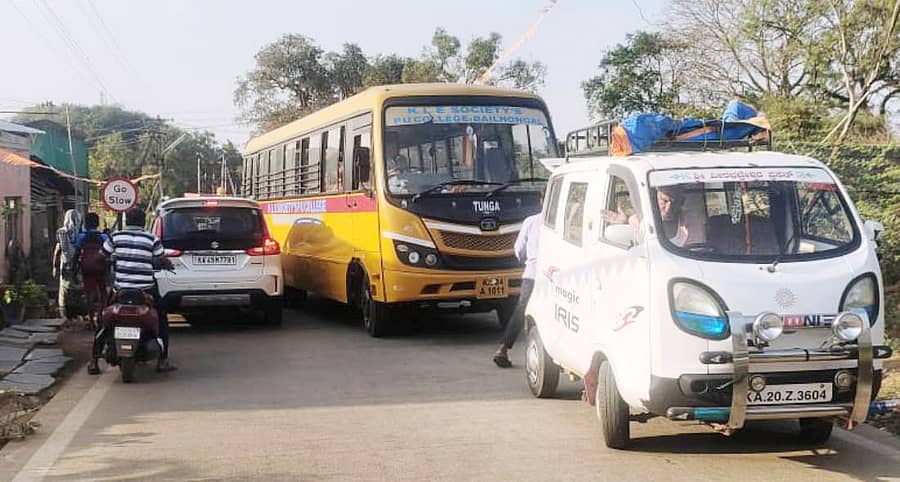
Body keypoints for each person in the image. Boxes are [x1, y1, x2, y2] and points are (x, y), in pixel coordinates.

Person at [88, 207, 176, 374]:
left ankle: (93, 361)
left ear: (127, 221)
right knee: (162, 319)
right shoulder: (151, 239)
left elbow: (100, 257)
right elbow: (162, 259)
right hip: (145, 291)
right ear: (143, 222)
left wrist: (107, 266)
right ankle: (163, 360)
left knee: (103, 320)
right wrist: (167, 265)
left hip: (120, 290)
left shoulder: (115, 237)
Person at [492, 200, 542, 368]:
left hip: (532, 274)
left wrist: (527, 260)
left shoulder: (531, 221)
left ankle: (503, 348)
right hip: (556, 275)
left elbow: (519, 250)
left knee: (521, 310)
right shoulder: (563, 223)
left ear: (542, 201)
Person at [602, 185, 705, 247]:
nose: (669, 208)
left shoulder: (692, 220)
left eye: (675, 202)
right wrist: (626, 222)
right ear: (655, 198)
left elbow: (696, 251)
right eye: (664, 201)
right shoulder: (641, 220)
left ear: (682, 202)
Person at [74, 213, 110, 327]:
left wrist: (74, 268)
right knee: (103, 292)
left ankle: (91, 320)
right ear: (97, 223)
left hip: (87, 268)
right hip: (101, 267)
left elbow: (76, 253)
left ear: (86, 223)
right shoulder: (103, 237)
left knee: (89, 293)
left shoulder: (81, 236)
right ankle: (100, 315)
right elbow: (108, 252)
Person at [52, 209, 83, 320]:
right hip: (79, 266)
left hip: (65, 265)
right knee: (78, 290)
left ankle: (63, 315)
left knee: (64, 291)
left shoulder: (61, 232)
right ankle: (79, 314)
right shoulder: (82, 233)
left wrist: (54, 267)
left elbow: (58, 250)